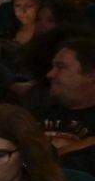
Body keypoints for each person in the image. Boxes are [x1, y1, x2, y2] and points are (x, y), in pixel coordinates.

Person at [28, 36, 95, 172]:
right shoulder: (34, 111)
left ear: (90, 75)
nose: (50, 74)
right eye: (53, 67)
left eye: (61, 67)